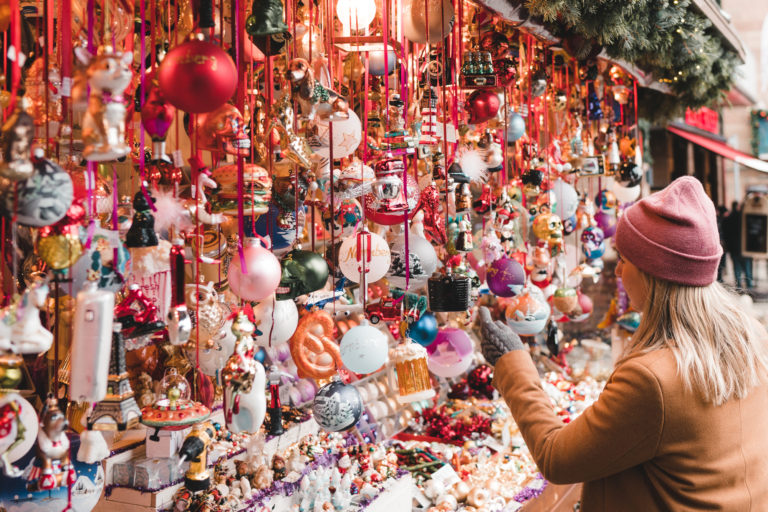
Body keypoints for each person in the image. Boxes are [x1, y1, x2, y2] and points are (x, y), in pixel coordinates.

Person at [480, 177, 768, 511]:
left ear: (653, 273)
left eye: (624, 259)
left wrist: (512, 360)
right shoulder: (748, 338)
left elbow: (556, 458)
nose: (616, 271)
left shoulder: (654, 380)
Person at [723, 200, 754, 289]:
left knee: (737, 269)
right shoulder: (744, 217)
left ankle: (739, 287)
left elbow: (726, 234)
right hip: (745, 247)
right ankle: (749, 287)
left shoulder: (728, 219)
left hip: (734, 248)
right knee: (747, 269)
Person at [716, 205, 727, 282]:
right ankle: (719, 277)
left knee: (720, 262)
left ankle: (719, 277)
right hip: (721, 244)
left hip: (720, 244)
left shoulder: (718, 220)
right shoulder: (722, 220)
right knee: (721, 262)